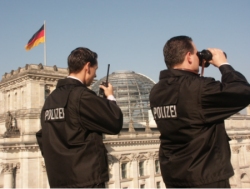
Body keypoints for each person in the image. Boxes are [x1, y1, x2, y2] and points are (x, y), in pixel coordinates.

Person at [149, 36, 250, 188]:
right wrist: (223, 64)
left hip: (174, 177)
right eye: (196, 53)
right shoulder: (198, 89)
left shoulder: (157, 91)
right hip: (205, 176)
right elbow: (243, 92)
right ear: (189, 56)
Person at [36, 47, 123, 188]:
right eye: (95, 69)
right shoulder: (82, 96)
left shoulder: (50, 100)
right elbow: (115, 122)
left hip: (59, 182)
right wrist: (110, 97)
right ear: (87, 66)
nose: (95, 75)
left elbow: (43, 138)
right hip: (86, 181)